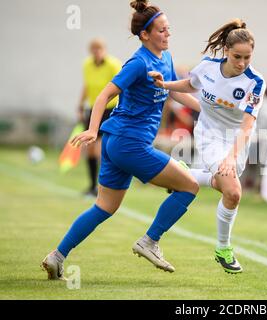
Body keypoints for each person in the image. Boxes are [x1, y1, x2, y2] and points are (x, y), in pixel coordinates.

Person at [41, 0, 200, 280]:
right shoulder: (138, 63)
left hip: (119, 144)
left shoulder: (166, 58)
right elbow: (104, 95)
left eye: (168, 29)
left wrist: (209, 111)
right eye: (162, 30)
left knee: (104, 207)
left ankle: (57, 256)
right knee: (189, 185)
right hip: (129, 144)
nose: (167, 34)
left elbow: (175, 91)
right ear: (145, 35)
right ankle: (150, 241)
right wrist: (93, 130)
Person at [149, 19, 266, 274]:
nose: (242, 63)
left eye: (247, 57)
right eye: (237, 56)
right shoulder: (208, 68)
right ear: (226, 50)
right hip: (209, 135)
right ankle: (223, 249)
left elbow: (247, 126)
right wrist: (165, 84)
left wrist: (232, 157)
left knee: (226, 187)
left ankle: (185, 174)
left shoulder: (255, 82)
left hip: (236, 140)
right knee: (234, 192)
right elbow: (190, 86)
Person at [78, 38, 122, 197]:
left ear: (104, 49)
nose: (97, 52)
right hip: (94, 109)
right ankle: (92, 186)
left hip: (110, 109)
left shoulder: (113, 64)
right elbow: (87, 86)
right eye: (94, 49)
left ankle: (105, 186)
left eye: (100, 49)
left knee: (102, 149)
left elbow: (120, 87)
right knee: (90, 150)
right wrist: (80, 105)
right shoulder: (87, 65)